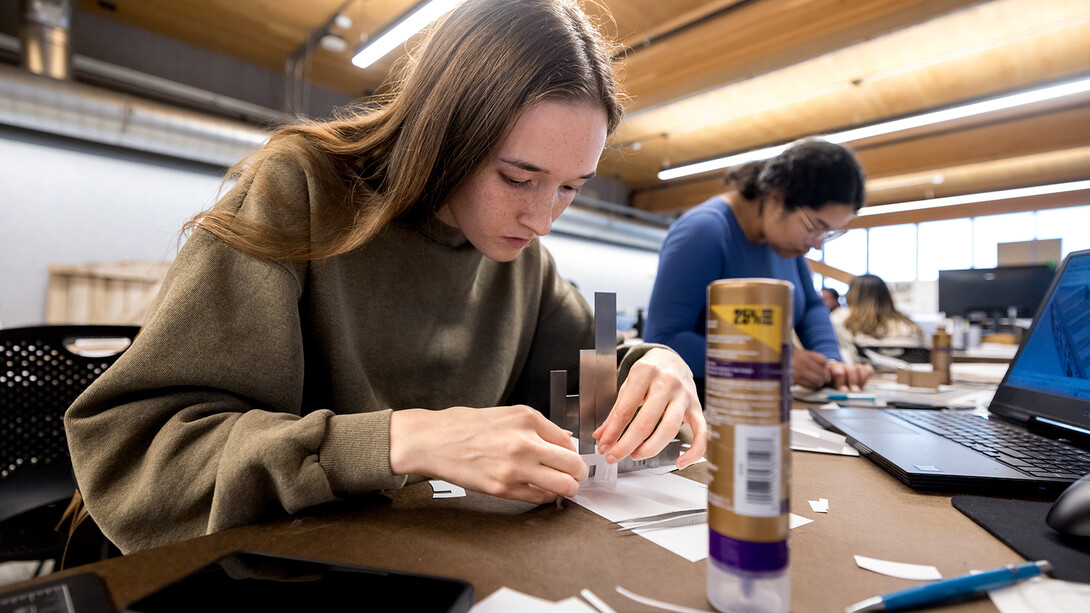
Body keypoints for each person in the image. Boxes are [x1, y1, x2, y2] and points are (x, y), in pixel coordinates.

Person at [64, 0, 706, 554]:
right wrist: (404, 438)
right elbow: (140, 453)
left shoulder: (522, 260)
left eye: (570, 187)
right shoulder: (299, 190)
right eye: (518, 178)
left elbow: (595, 368)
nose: (541, 219)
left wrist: (657, 363)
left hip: (414, 562)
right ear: (446, 134)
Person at [643, 139, 874, 393]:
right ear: (776, 198)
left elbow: (810, 307)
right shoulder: (705, 231)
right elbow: (663, 340)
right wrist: (770, 362)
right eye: (814, 228)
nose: (818, 244)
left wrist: (830, 362)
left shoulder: (785, 243)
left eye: (829, 233)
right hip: (702, 408)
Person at [831, 274, 927, 366]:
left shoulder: (841, 317)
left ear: (852, 293)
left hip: (864, 376)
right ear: (886, 295)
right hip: (908, 376)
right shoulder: (908, 324)